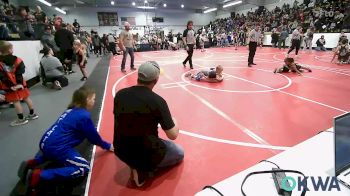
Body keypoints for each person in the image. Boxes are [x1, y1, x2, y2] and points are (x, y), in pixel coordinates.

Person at [18, 87, 113, 194]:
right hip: (57, 147)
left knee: (54, 155)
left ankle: (34, 162)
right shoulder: (84, 116)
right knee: (83, 168)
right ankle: (39, 176)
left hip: (45, 142)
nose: (94, 101)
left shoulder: (69, 111)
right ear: (86, 100)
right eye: (93, 99)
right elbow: (94, 138)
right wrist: (108, 146)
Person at [113, 61, 183, 187]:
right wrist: (175, 121)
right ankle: (142, 169)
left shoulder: (120, 94)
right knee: (178, 152)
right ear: (155, 80)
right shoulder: (158, 101)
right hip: (145, 151)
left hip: (120, 148)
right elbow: (173, 134)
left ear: (138, 76)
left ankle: (135, 164)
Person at [0, 41, 38, 126]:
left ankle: (21, 119)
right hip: (21, 84)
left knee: (15, 101)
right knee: (26, 98)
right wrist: (19, 83)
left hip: (8, 86)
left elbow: (2, 76)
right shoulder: (18, 59)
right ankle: (32, 114)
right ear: (10, 50)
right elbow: (21, 72)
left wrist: (11, 86)